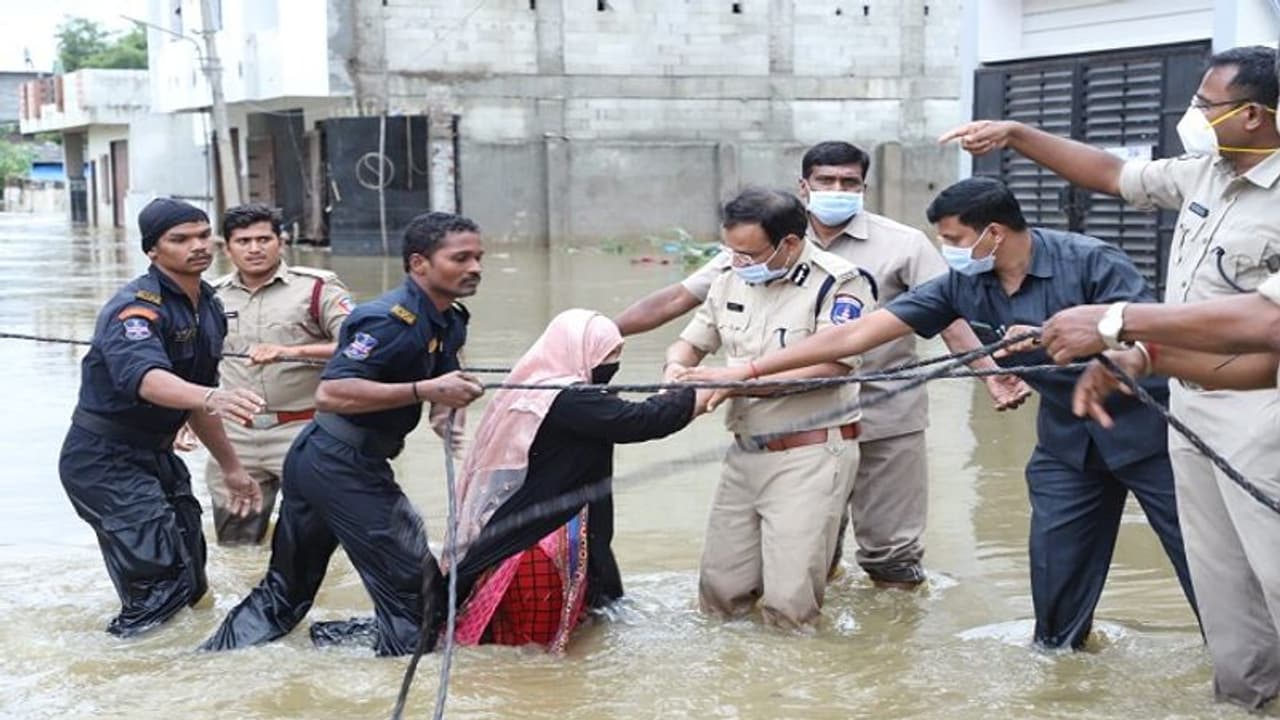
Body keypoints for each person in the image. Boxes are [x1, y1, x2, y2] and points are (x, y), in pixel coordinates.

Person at [681, 178, 1198, 649]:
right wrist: (747, 372)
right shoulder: (963, 283)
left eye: (952, 239)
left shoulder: (1091, 261)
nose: (946, 251)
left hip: (1150, 433)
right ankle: (1060, 665)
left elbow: (1152, 333)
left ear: (992, 233)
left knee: (1202, 555)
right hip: (1067, 441)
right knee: (1055, 569)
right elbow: (855, 335)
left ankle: (1240, 659)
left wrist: (1063, 342)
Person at [941, 45, 1280, 707]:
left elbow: (1270, 326)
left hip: (1264, 412)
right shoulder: (1209, 172)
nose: (1193, 114)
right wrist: (1017, 134)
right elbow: (1113, 174)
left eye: (1207, 105)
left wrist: (1118, 323)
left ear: (1254, 117)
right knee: (1224, 588)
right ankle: (1245, 700)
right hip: (1194, 402)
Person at [616, 141, 1028, 589]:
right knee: (809, 551)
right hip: (797, 418)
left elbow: (948, 315)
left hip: (884, 412)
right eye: (826, 181)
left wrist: (988, 374)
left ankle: (887, 645)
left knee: (891, 552)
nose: (838, 189)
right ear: (804, 186)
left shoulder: (903, 245)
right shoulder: (760, 243)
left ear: (863, 187)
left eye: (849, 182)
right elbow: (679, 300)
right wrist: (598, 335)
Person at [200, 211, 486, 656]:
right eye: (460, 258)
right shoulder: (387, 320)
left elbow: (444, 374)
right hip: (339, 463)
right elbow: (333, 392)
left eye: (478, 258)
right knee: (421, 587)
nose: (474, 268)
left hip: (327, 460)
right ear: (419, 264)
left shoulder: (450, 319)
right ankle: (397, 668)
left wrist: (445, 408)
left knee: (288, 589)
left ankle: (219, 661)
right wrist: (424, 388)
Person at [417, 309, 706, 653]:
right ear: (580, 352)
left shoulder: (535, 388)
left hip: (532, 533)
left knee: (550, 642)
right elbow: (641, 420)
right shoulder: (568, 400)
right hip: (540, 550)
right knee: (535, 657)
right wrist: (694, 394)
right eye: (608, 355)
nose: (614, 364)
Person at [661, 187, 877, 629]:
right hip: (745, 451)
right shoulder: (729, 275)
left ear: (790, 244)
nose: (739, 261)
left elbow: (835, 365)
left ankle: (792, 693)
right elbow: (692, 341)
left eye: (749, 253)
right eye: (731, 250)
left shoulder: (840, 282)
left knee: (790, 604)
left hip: (811, 454)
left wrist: (743, 378)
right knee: (720, 593)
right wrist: (676, 368)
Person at [57, 198, 264, 637]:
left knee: (192, 580)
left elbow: (195, 401)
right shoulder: (134, 308)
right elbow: (148, 380)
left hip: (156, 455)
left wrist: (232, 468)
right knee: (159, 584)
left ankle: (185, 670)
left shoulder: (207, 304)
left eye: (203, 235)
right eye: (180, 239)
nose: (198, 246)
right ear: (153, 250)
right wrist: (214, 395)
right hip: (103, 460)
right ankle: (126, 668)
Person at [204, 203, 354, 545]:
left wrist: (290, 351)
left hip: (303, 430)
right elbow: (197, 365)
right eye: (243, 241)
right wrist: (186, 419)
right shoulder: (210, 297)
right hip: (235, 437)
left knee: (316, 541)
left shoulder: (318, 288)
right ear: (227, 248)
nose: (254, 249)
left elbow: (359, 343)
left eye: (263, 239)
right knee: (236, 545)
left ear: (281, 242)